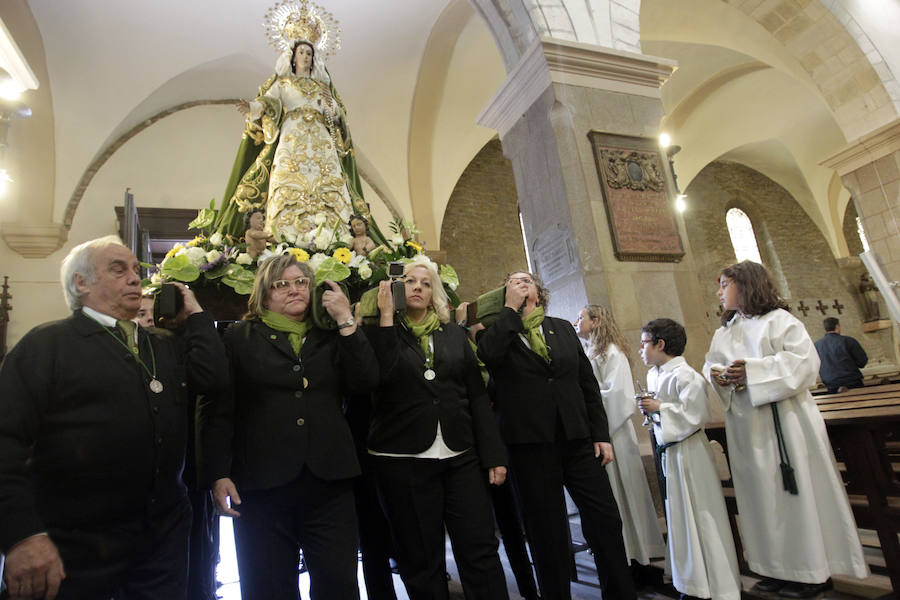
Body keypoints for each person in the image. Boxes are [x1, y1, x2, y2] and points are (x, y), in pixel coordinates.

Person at [0, 235, 228, 600]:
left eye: (137, 270)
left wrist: (196, 315)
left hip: (160, 545)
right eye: (118, 269)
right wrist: (22, 534)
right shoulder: (47, 345)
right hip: (76, 546)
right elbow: (5, 441)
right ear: (81, 282)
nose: (135, 278)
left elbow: (213, 378)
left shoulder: (162, 344)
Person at [199, 253, 379, 600]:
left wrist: (345, 320)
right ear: (265, 294)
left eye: (301, 282)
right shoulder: (238, 338)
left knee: (338, 583)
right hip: (262, 483)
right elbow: (219, 409)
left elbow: (365, 380)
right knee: (269, 586)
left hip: (328, 481)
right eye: (282, 284)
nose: (294, 290)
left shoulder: (330, 335)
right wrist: (217, 473)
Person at [704, 261, 869, 598]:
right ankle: (776, 568)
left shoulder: (780, 322)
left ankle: (811, 571)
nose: (719, 292)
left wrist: (752, 371)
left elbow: (807, 365)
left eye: (724, 285)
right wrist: (719, 375)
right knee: (760, 499)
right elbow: (711, 365)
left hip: (785, 424)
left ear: (746, 285)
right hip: (746, 427)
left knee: (794, 496)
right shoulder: (725, 332)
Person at [476, 271, 635, 600]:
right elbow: (488, 355)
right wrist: (509, 310)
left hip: (577, 441)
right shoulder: (498, 332)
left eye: (527, 280)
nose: (521, 284)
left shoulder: (561, 328)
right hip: (531, 448)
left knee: (605, 521)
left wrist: (600, 434)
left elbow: (587, 385)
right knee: (547, 534)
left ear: (538, 291)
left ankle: (620, 593)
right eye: (513, 281)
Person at [366, 257, 510, 600]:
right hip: (404, 460)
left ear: (435, 293)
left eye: (426, 283)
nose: (418, 287)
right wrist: (386, 317)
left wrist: (493, 456)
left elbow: (476, 396)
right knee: (421, 557)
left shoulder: (452, 335)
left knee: (480, 548)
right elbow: (375, 380)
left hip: (460, 455)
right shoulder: (380, 334)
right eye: (410, 282)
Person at [214, 1, 373, 244]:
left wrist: (333, 107)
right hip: (292, 137)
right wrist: (252, 108)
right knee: (286, 179)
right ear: (292, 55)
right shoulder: (284, 84)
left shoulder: (323, 87)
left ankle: (335, 237)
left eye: (310, 53)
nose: (306, 57)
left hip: (321, 140)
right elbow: (268, 102)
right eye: (302, 52)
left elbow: (339, 116)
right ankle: (282, 235)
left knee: (330, 181)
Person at [638, 318, 741, 600]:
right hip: (671, 455)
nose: (640, 350)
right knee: (681, 519)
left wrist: (660, 408)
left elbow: (695, 416)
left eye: (644, 344)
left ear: (661, 344)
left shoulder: (686, 376)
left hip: (690, 452)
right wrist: (651, 412)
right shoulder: (654, 375)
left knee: (701, 516)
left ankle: (717, 586)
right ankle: (691, 583)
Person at [574, 304, 665, 567]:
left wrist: (585, 403)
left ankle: (636, 552)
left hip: (615, 434)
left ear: (597, 320)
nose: (576, 321)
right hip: (599, 434)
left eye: (581, 317)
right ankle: (618, 551)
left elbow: (619, 396)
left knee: (624, 493)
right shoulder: (590, 352)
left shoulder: (612, 353)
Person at [814, 317, 868, 393]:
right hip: (852, 382)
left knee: (839, 404)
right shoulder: (848, 341)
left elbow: (815, 365)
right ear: (837, 326)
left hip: (831, 385)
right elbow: (862, 362)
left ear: (825, 329)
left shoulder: (816, 346)